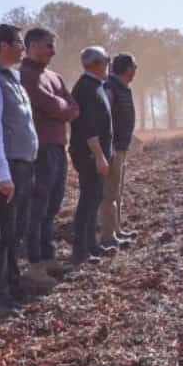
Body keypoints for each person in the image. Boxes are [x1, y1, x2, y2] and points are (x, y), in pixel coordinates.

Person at [0, 24, 41, 310]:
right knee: (2, 233)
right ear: (4, 45)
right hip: (7, 170)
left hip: (23, 166)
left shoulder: (11, 78)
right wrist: (2, 175)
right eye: (19, 42)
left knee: (16, 231)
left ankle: (13, 285)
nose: (23, 47)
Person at [20, 27, 79, 284]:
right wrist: (62, 107)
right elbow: (48, 104)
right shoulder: (24, 75)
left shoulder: (55, 76)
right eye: (48, 45)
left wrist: (61, 108)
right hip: (39, 150)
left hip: (58, 147)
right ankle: (34, 265)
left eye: (53, 45)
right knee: (38, 207)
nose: (53, 51)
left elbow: (73, 107)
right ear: (31, 45)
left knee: (53, 206)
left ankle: (48, 256)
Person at [70, 46, 115, 266]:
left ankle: (91, 245)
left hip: (96, 153)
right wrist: (99, 155)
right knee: (88, 201)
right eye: (107, 60)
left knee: (94, 198)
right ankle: (81, 251)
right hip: (88, 154)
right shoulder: (86, 88)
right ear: (96, 64)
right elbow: (88, 126)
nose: (109, 64)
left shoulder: (96, 85)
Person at [99, 52, 140, 248]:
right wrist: (109, 147)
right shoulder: (110, 87)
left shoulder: (122, 88)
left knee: (117, 192)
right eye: (135, 66)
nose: (136, 71)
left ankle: (117, 229)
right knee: (109, 194)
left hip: (121, 147)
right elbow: (104, 119)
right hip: (113, 148)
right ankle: (107, 237)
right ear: (128, 68)